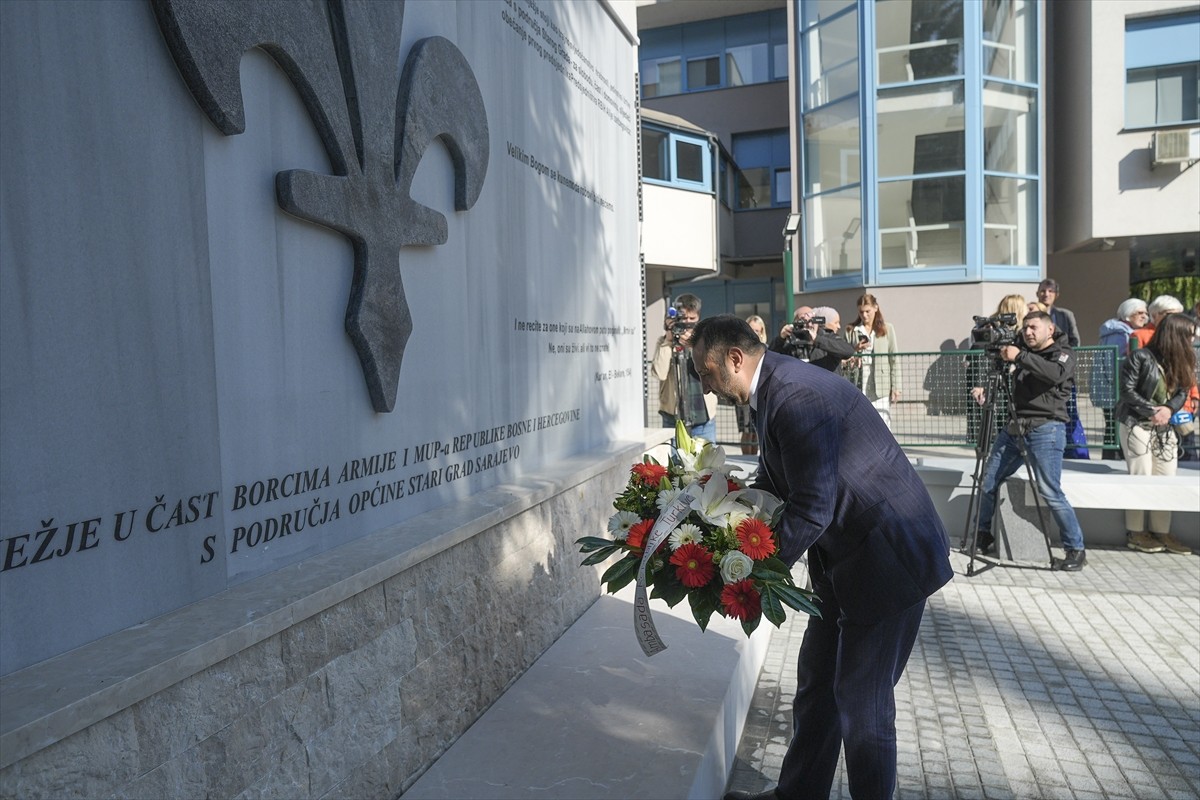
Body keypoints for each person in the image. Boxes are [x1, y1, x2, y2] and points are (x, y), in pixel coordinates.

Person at [686, 315, 953, 800]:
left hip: (887, 559)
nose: (706, 387)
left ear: (734, 358)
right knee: (817, 684)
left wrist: (753, 575)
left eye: (705, 374)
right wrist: (722, 515)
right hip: (845, 559)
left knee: (861, 701)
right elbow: (777, 478)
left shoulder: (794, 395)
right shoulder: (772, 390)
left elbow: (812, 507)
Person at [970, 310, 1088, 571]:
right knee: (988, 481)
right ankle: (982, 534)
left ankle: (1076, 549)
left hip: (1046, 429)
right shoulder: (1020, 349)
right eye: (1026, 328)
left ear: (1050, 329)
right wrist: (984, 387)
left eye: (1034, 327)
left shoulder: (1063, 352)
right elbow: (1001, 369)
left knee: (1050, 491)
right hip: (1014, 426)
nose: (1028, 332)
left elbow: (1054, 374)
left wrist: (1020, 356)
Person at [1115, 313, 1197, 555]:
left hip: (1164, 425)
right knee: (1141, 474)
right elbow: (1126, 390)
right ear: (1177, 335)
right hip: (1135, 423)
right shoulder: (1140, 356)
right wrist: (1153, 411)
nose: (1193, 339)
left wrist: (1168, 409)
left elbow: (1183, 391)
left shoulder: (1182, 360)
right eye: (1190, 334)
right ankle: (1136, 532)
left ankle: (1162, 532)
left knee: (1166, 476)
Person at [651, 293, 718, 442]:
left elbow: (713, 369)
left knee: (707, 464)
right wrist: (668, 341)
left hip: (703, 417)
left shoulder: (707, 340)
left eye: (692, 319)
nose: (688, 324)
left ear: (699, 318)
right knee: (675, 464)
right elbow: (659, 373)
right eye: (684, 319)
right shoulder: (665, 342)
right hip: (673, 418)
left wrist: (694, 345)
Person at [1036, 279, 1087, 458]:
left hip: (1062, 373)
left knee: (1070, 412)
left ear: (1056, 294)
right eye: (1043, 291)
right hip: (1039, 373)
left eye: (1050, 291)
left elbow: (1075, 341)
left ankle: (1077, 452)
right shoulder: (1032, 313)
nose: (1046, 294)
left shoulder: (1065, 315)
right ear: (1038, 293)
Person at [966, 295, 1026, 447]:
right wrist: (979, 385)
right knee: (992, 424)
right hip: (995, 387)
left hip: (1010, 387)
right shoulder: (991, 329)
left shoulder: (1019, 334)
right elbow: (978, 354)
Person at [1094, 298, 1149, 460]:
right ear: (1127, 315)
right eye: (1139, 313)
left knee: (1113, 426)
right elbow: (1116, 364)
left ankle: (1113, 457)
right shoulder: (1121, 334)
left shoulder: (1115, 331)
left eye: (1146, 313)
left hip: (1112, 388)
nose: (1144, 316)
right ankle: (1114, 459)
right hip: (1116, 388)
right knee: (1116, 427)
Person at [843, 293, 901, 429]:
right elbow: (844, 357)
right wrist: (855, 349)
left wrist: (896, 387)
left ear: (876, 308)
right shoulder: (851, 330)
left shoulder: (887, 329)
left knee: (882, 422)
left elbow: (894, 359)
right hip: (858, 380)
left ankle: (884, 450)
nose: (864, 315)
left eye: (867, 311)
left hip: (881, 381)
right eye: (861, 312)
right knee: (860, 423)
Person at [769, 305, 856, 372]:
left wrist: (817, 340)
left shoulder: (826, 336)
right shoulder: (790, 342)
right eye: (802, 321)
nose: (808, 325)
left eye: (811, 320)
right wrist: (781, 339)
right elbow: (769, 359)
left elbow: (848, 351)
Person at [738, 315, 769, 454]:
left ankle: (754, 459)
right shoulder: (739, 348)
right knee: (746, 429)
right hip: (744, 393)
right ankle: (746, 457)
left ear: (762, 331)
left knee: (757, 431)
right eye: (751, 329)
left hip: (760, 393)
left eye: (757, 330)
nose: (754, 333)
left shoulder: (765, 348)